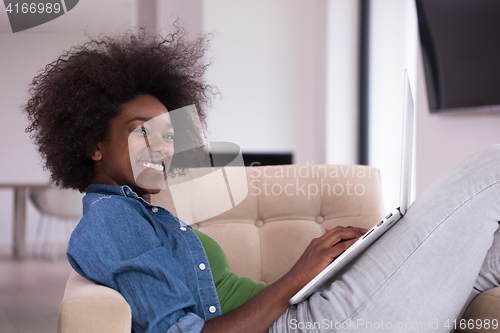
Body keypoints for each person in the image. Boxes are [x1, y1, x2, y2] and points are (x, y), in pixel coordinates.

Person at [23, 30, 500, 333]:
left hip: (311, 308)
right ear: (92, 144)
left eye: (169, 135)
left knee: (490, 253)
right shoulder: (112, 221)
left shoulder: (140, 212)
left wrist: (322, 270)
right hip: (308, 323)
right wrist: (298, 274)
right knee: (488, 171)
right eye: (140, 131)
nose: (163, 147)